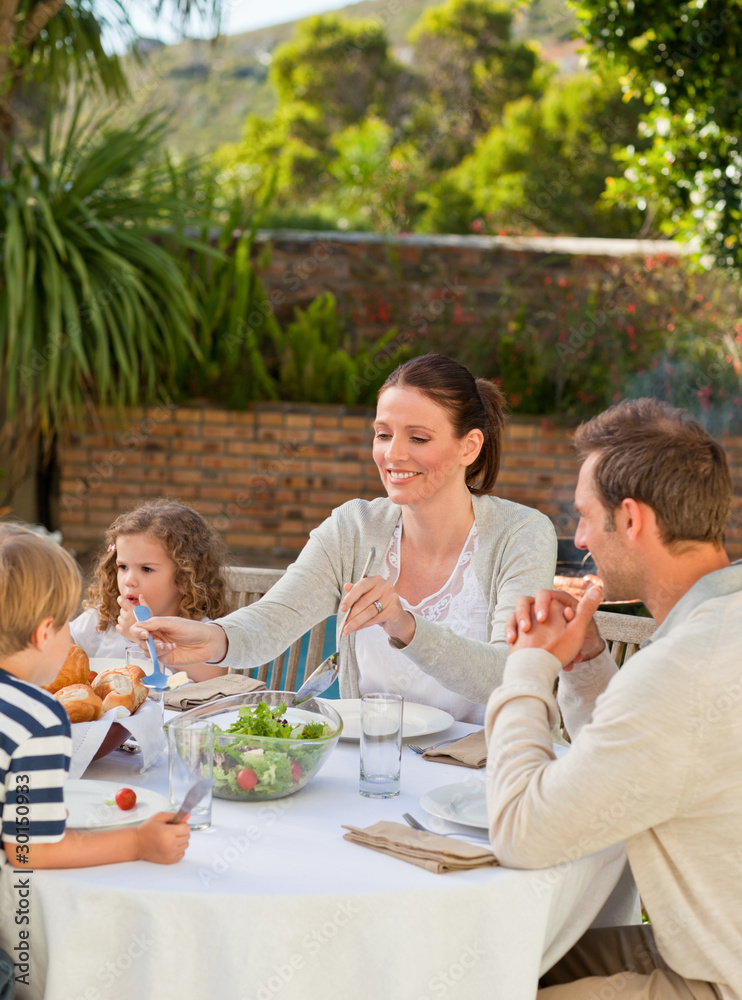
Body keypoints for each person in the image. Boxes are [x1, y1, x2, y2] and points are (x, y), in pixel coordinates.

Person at [135, 354, 557, 723]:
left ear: (469, 447)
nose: (393, 454)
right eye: (383, 433)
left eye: (418, 437)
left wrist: (404, 624)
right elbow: (274, 618)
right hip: (371, 762)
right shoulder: (353, 527)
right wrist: (209, 638)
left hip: (480, 772)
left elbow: (509, 674)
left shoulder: (521, 535)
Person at [484, 398, 742, 999]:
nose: (577, 539)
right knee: (491, 956)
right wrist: (584, 661)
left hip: (714, 980)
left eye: (583, 516)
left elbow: (522, 833)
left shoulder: (684, 668)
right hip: (711, 940)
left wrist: (528, 666)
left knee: (473, 976)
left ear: (630, 520)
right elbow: (650, 757)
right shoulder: (715, 631)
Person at [0, 523, 190, 868]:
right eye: (64, 623)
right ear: (45, 634)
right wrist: (137, 842)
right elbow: (30, 851)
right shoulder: (39, 720)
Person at [71, 499, 231, 682]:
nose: (128, 580)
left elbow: (215, 675)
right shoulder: (105, 618)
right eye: (123, 567)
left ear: (185, 578)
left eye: (146, 569)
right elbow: (62, 647)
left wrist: (145, 638)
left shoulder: (196, 630)